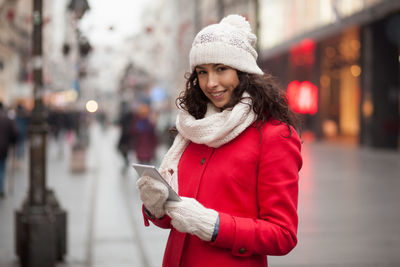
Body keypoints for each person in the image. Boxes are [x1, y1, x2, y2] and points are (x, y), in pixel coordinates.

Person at [136, 14, 303, 267]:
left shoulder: (275, 136)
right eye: (202, 72)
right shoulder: (193, 130)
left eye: (221, 69)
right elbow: (178, 218)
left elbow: (283, 235)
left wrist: (213, 225)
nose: (211, 83)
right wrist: (156, 206)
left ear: (243, 71)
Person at [0, 102, 18, 198]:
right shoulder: (8, 119)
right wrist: (13, 142)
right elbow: (14, 133)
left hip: (3, 147)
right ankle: (1, 188)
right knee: (2, 168)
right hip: (3, 148)